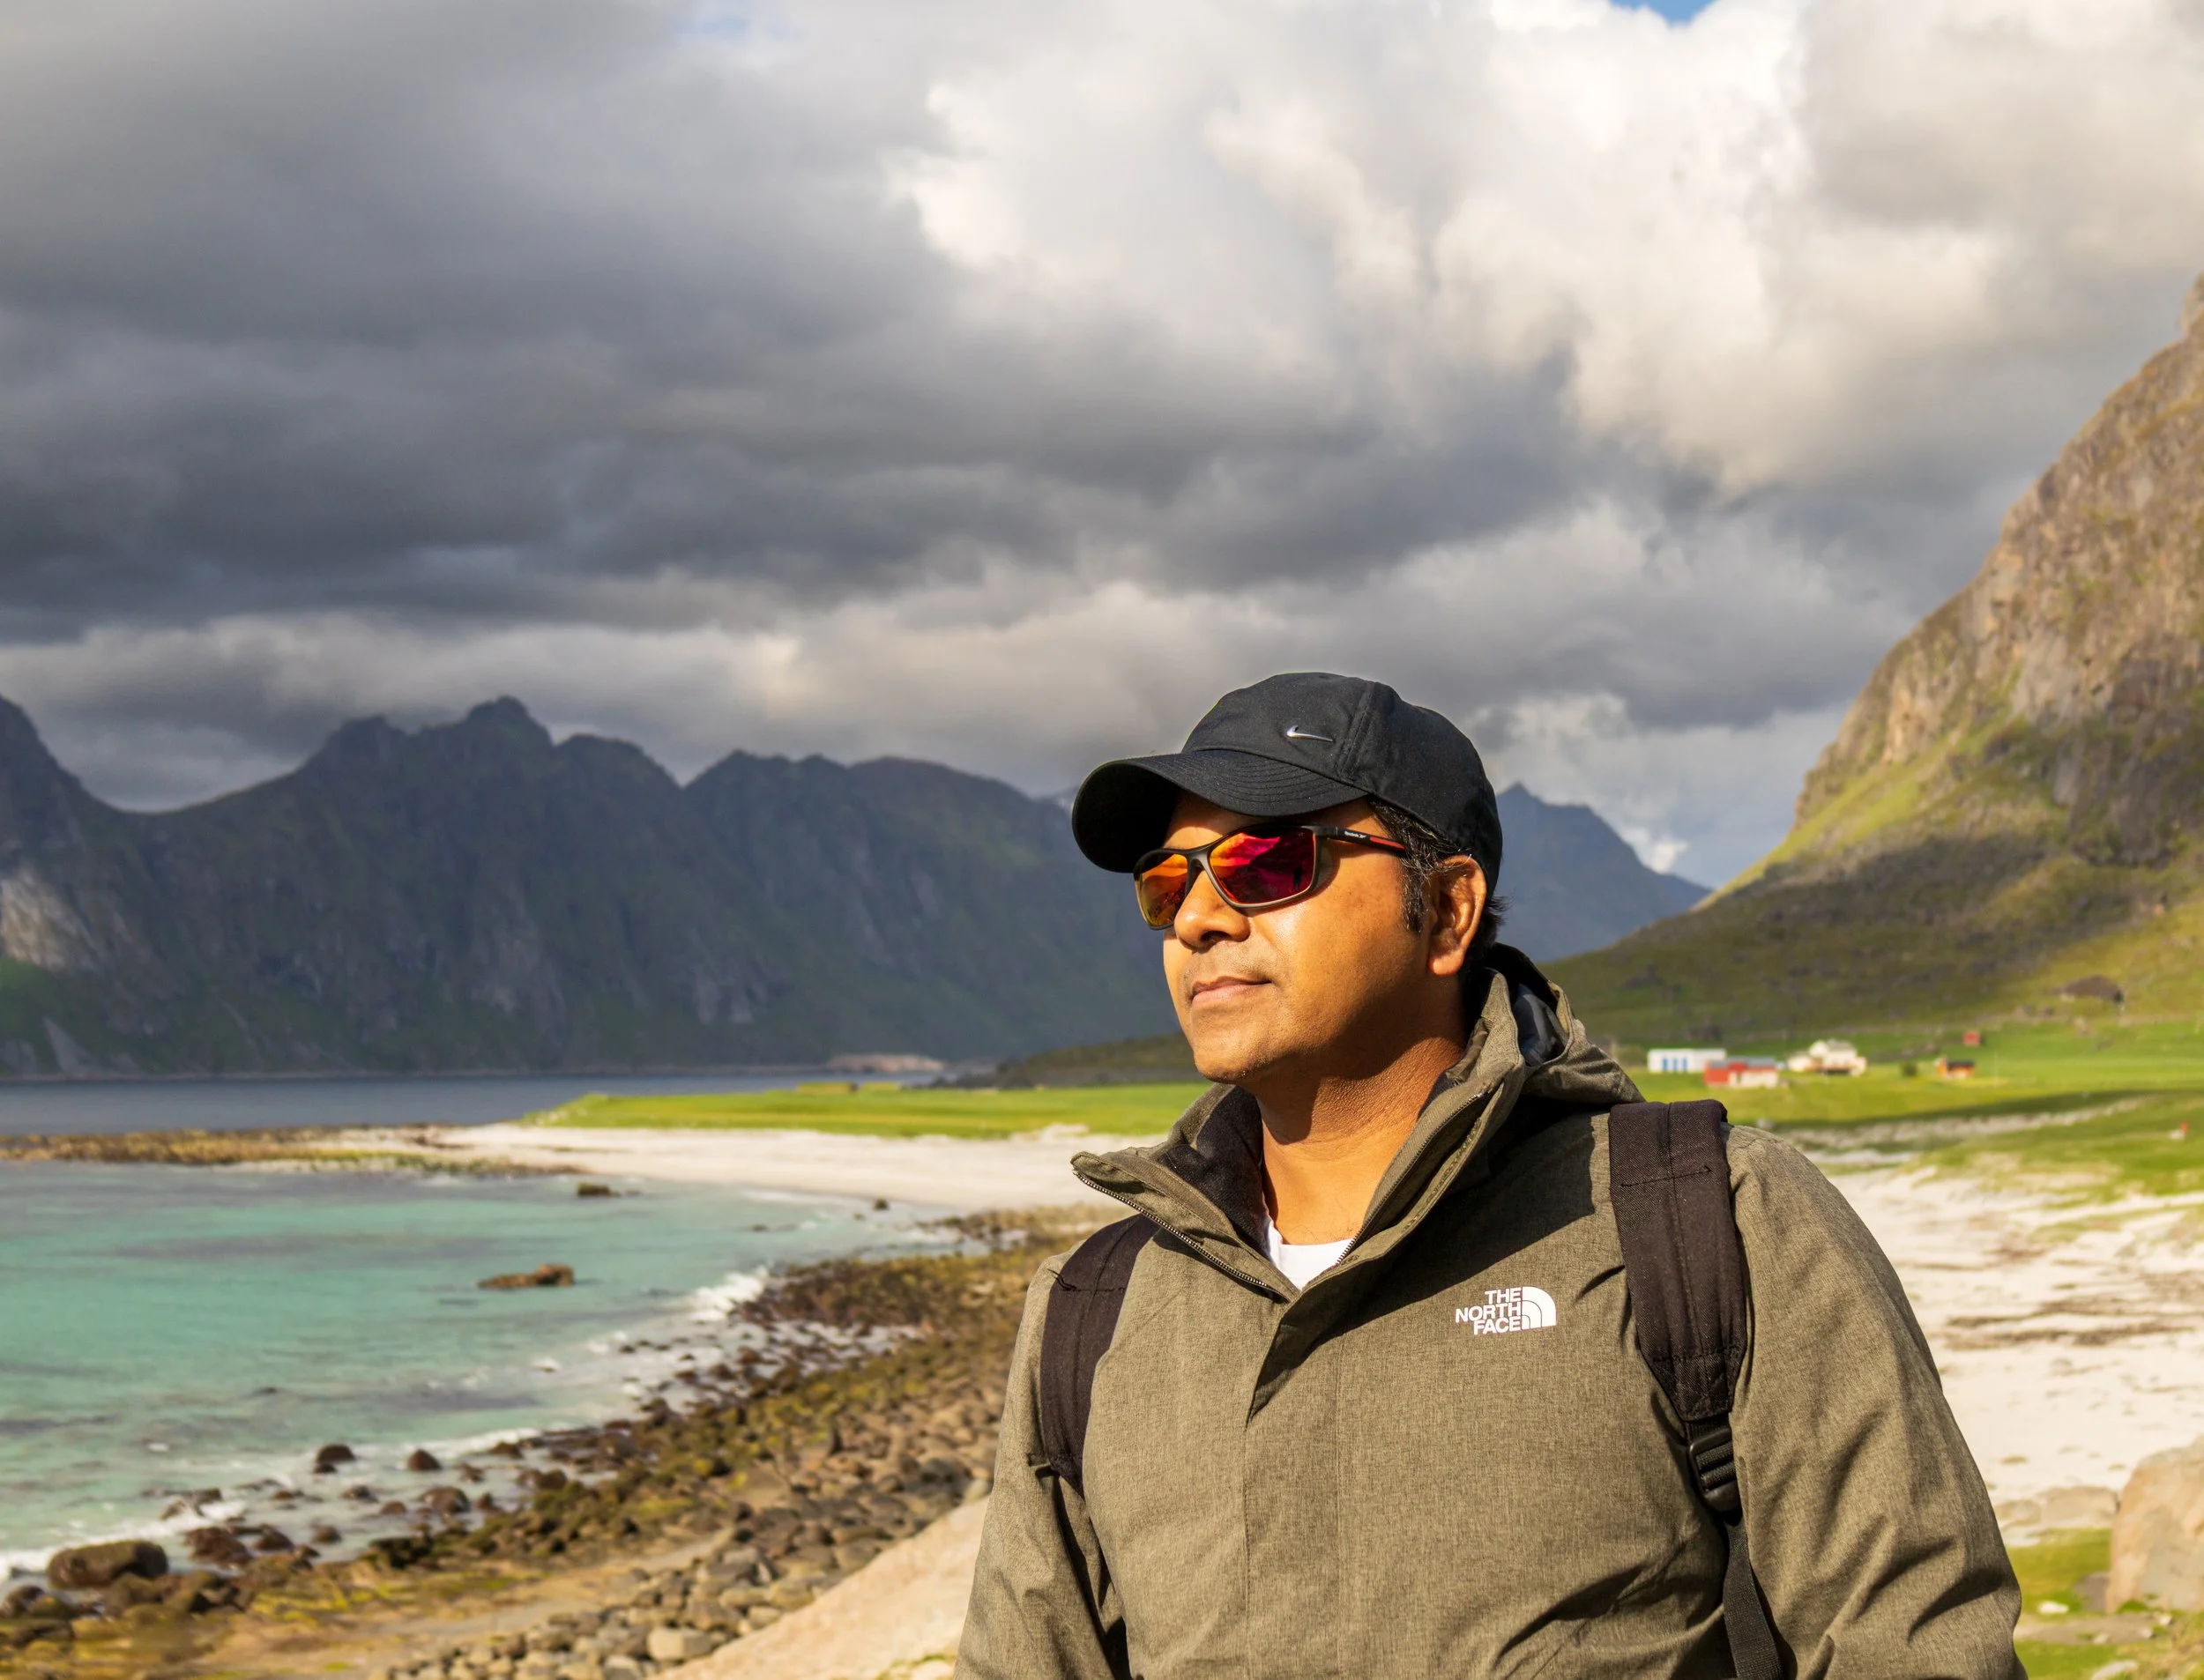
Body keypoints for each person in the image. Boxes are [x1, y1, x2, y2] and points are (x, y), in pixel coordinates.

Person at [956, 672, 2021, 1678]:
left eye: (1268, 864)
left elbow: (1919, 1645)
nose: (1197, 918)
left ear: (1448, 909)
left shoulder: (1711, 1220)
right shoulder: (1092, 1311)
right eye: (1165, 884)